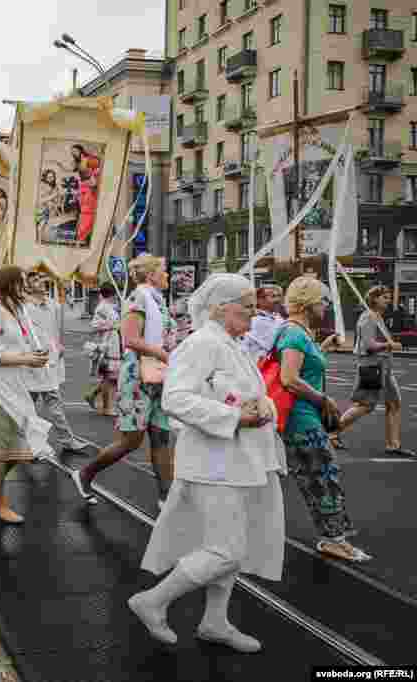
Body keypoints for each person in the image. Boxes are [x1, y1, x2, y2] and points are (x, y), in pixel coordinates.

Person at [128, 274, 285, 653]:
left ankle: (215, 621)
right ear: (219, 308)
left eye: (253, 304)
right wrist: (235, 418)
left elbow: (253, 395)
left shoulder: (234, 345)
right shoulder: (200, 345)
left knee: (233, 547)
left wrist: (263, 407)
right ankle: (152, 601)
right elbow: (176, 399)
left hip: (244, 462)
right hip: (214, 465)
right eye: (246, 305)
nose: (254, 311)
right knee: (225, 550)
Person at [276, 276, 370, 562]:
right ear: (308, 303)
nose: (327, 306)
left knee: (319, 475)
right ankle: (332, 539)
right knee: (323, 477)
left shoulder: (298, 332)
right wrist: (323, 399)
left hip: (305, 418)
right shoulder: (293, 333)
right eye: (324, 301)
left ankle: (333, 536)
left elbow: (302, 369)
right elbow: (289, 379)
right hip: (302, 419)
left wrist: (323, 348)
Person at [78, 254, 176, 507]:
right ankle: (85, 473)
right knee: (131, 440)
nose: (168, 275)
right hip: (138, 376)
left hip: (157, 374)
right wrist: (164, 354)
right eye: (164, 271)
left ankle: (167, 497)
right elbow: (130, 339)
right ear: (151, 274)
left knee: (161, 436)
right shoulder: (139, 298)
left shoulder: (157, 300)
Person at [0, 266, 53, 523]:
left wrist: (36, 355)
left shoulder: (18, 311)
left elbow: (21, 345)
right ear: (10, 284)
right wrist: (27, 358)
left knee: (24, 449)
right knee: (1, 451)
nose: (27, 286)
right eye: (22, 282)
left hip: (17, 387)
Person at [330, 286, 414, 457]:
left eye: (388, 297)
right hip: (372, 367)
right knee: (365, 405)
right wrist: (389, 345)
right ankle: (331, 433)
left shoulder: (377, 317)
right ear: (374, 299)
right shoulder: (368, 318)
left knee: (394, 404)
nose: (388, 300)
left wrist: (388, 346)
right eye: (385, 297)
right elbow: (368, 345)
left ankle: (393, 444)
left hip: (384, 367)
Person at [24, 271, 81, 454]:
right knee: (29, 406)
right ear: (26, 286)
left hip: (50, 362)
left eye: (40, 278)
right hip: (32, 362)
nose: (39, 282)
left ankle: (66, 440)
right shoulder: (24, 307)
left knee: (51, 403)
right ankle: (23, 441)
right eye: (34, 280)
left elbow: (57, 329)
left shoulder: (52, 305)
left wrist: (59, 346)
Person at [85, 282, 121, 416]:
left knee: (113, 377)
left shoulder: (111, 306)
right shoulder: (102, 308)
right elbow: (94, 326)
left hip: (115, 345)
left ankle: (93, 395)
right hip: (108, 346)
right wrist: (112, 325)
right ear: (112, 293)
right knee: (109, 377)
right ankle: (107, 407)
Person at [241, 284, 286, 362]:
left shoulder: (278, 317)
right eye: (273, 296)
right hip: (260, 368)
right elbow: (276, 344)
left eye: (279, 296)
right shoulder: (256, 321)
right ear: (260, 300)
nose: (278, 300)